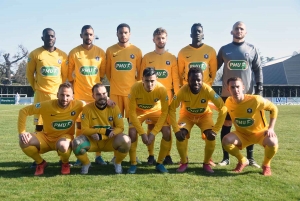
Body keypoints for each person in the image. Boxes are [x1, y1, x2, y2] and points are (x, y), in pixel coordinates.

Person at [217, 21, 263, 167]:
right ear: (232, 31)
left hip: (247, 95)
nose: (239, 30)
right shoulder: (224, 50)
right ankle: (226, 158)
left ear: (246, 32)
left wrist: (260, 88)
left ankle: (250, 158)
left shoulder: (252, 49)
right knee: (226, 124)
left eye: (241, 28)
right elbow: (214, 68)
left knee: (249, 125)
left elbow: (258, 69)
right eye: (236, 28)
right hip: (227, 95)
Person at [169, 67, 227, 173]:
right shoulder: (182, 91)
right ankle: (184, 161)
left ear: (202, 80)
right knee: (181, 135)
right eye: (193, 80)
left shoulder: (208, 90)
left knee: (210, 137)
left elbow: (223, 108)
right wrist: (176, 129)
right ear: (188, 80)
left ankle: (206, 163)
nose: (196, 83)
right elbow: (171, 109)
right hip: (187, 116)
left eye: (199, 80)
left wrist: (216, 130)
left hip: (204, 116)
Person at [18, 83, 84, 176]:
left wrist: (108, 101)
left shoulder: (78, 104)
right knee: (23, 141)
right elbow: (23, 111)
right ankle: (40, 163)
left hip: (64, 137)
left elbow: (92, 106)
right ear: (57, 95)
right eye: (62, 95)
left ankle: (65, 163)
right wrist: (22, 132)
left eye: (68, 95)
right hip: (46, 138)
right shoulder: (46, 105)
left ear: (73, 96)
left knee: (64, 146)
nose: (64, 98)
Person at [140, 27, 180, 165]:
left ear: (166, 39)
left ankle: (167, 155)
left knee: (166, 128)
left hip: (167, 98)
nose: (160, 40)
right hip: (150, 98)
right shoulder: (147, 57)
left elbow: (175, 79)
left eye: (163, 38)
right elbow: (141, 79)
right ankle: (150, 156)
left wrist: (177, 97)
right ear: (153, 40)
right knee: (151, 128)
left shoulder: (172, 58)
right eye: (158, 38)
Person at [222, 77, 278, 176]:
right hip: (242, 134)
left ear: (243, 87)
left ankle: (266, 165)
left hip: (260, 133)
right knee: (225, 140)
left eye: (238, 86)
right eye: (233, 87)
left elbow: (274, 108)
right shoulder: (228, 102)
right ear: (228, 89)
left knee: (273, 141)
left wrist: (271, 128)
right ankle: (243, 161)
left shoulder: (256, 100)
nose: (236, 90)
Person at [68, 25, 107, 166]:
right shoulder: (74, 53)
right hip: (79, 97)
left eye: (91, 34)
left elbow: (101, 75)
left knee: (98, 125)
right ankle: (80, 155)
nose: (88, 37)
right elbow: (70, 77)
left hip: (96, 96)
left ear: (93, 35)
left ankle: (98, 156)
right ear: (81, 35)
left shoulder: (101, 53)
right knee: (79, 126)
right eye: (86, 34)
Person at [73, 83, 131, 174]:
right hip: (93, 142)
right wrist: (104, 131)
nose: (102, 96)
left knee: (126, 140)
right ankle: (86, 163)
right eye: (98, 94)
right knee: (76, 143)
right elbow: (84, 130)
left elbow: (120, 127)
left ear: (107, 94)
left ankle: (117, 162)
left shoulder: (113, 107)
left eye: (104, 94)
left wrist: (102, 136)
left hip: (109, 141)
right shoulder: (87, 109)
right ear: (93, 96)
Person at [105, 23, 142, 164]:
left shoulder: (137, 51)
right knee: (115, 126)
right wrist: (115, 83)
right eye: (120, 32)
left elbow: (139, 73)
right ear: (117, 34)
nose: (123, 35)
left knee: (133, 126)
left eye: (125, 32)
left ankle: (133, 155)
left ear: (130, 34)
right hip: (115, 94)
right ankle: (117, 155)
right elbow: (108, 72)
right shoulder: (110, 50)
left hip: (131, 95)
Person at [128, 67, 171, 174]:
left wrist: (153, 133)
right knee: (132, 132)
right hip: (139, 111)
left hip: (156, 111)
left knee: (167, 132)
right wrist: (142, 133)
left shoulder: (162, 89)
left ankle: (159, 163)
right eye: (147, 81)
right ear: (142, 79)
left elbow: (165, 112)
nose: (149, 84)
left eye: (152, 81)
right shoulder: (135, 88)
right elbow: (132, 112)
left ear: (157, 79)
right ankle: (133, 163)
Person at [26, 28, 68, 132]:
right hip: (41, 94)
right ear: (42, 38)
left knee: (57, 124)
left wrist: (59, 91)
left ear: (55, 38)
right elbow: (29, 74)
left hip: (55, 95)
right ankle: (39, 147)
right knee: (39, 126)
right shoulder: (35, 54)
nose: (50, 38)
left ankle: (58, 146)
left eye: (52, 36)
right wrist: (36, 88)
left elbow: (65, 75)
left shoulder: (62, 55)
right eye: (47, 36)